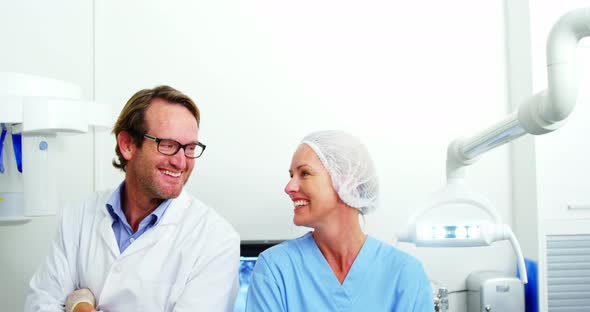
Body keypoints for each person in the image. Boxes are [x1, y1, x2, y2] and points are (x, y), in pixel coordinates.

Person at [24, 86, 240, 312]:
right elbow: (40, 304)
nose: (181, 162)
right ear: (127, 144)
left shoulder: (216, 240)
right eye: (168, 145)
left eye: (190, 148)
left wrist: (79, 306)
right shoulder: (77, 216)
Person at [245, 130, 433, 311]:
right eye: (291, 175)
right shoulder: (275, 268)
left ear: (347, 180)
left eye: (304, 174)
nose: (289, 187)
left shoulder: (405, 274)